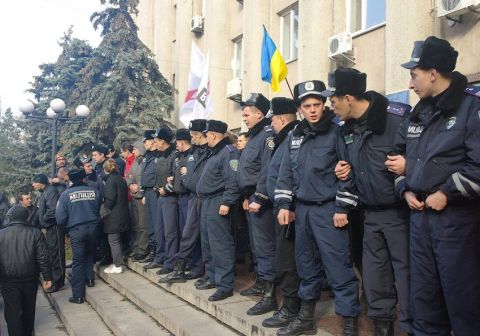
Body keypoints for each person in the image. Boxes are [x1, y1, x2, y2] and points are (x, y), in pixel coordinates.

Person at [398, 36, 480, 335]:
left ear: (433, 72)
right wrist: (405, 188)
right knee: (424, 300)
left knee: (463, 302)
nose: (410, 83)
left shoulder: (471, 108)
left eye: (413, 74)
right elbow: (405, 159)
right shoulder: (419, 112)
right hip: (419, 218)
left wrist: (447, 193)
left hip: (455, 223)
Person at [328, 68, 412, 335]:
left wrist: (409, 167)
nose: (332, 108)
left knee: (408, 277)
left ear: (349, 98)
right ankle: (383, 327)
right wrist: (343, 171)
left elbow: (420, 157)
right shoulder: (345, 131)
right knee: (375, 279)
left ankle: (413, 327)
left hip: (401, 213)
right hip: (369, 215)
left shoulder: (396, 120)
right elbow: (347, 169)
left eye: (333, 101)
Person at [275, 80, 360, 335]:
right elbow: (287, 172)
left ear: (323, 106)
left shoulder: (337, 133)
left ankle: (349, 322)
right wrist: (284, 204)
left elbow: (348, 171)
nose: (312, 110)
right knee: (306, 266)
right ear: (300, 109)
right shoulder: (295, 136)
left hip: (329, 211)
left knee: (338, 267)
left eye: (317, 104)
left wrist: (343, 208)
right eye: (307, 105)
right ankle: (306, 319)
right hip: (302, 212)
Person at [238, 93, 278, 316]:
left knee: (265, 247)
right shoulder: (253, 135)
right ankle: (262, 282)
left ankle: (270, 295)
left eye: (246, 114)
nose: (244, 118)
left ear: (259, 113)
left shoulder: (266, 135)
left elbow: (267, 169)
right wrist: (246, 196)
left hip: (261, 201)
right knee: (256, 246)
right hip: (250, 199)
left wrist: (260, 196)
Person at [262, 97, 300, 328]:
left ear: (282, 119)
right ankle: (290, 305)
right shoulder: (284, 138)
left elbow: (292, 174)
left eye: (273, 120)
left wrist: (289, 205)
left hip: (289, 209)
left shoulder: (292, 138)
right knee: (284, 259)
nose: (272, 125)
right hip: (282, 207)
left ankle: (291, 308)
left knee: (287, 261)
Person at [196, 120, 241, 301]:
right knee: (208, 242)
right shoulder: (215, 152)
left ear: (213, 135)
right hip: (207, 202)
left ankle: (225, 285)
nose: (205, 138)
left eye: (206, 135)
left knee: (220, 244)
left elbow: (233, 179)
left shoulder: (228, 153)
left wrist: (227, 202)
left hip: (218, 201)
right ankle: (212, 277)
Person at [161, 120, 208, 284]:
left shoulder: (195, 154)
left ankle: (196, 267)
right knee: (186, 234)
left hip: (192, 197)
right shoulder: (182, 155)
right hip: (183, 197)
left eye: (194, 134)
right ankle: (185, 266)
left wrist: (184, 176)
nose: (177, 146)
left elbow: (193, 177)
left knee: (192, 234)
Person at [0, 205, 51, 336]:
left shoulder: (1, 234)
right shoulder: (35, 233)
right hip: (30, 279)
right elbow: (43, 257)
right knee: (29, 309)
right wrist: (47, 277)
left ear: (10, 218)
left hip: (8, 280)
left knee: (12, 312)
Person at [56, 169, 101, 303]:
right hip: (93, 228)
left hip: (77, 230)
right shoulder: (94, 191)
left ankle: (78, 295)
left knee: (78, 261)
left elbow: (60, 218)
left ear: (70, 179)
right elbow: (98, 206)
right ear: (84, 178)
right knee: (89, 254)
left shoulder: (65, 195)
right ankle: (90, 279)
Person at [158, 128, 194, 283]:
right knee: (179, 233)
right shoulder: (179, 156)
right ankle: (178, 263)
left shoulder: (189, 156)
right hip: (179, 196)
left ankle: (185, 264)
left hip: (186, 197)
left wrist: (167, 188)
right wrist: (172, 179)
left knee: (185, 233)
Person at [147, 128, 179, 275]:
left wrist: (166, 189)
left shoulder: (174, 156)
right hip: (159, 197)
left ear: (163, 141)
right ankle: (160, 257)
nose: (154, 142)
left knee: (170, 232)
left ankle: (171, 261)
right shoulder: (161, 156)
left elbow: (176, 178)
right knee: (159, 230)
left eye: (157, 140)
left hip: (170, 198)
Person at [32, 173, 65, 293]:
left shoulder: (50, 191)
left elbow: (52, 211)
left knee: (56, 253)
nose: (33, 185)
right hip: (49, 227)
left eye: (35, 182)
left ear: (41, 182)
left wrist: (44, 222)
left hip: (54, 227)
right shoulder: (44, 193)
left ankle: (58, 281)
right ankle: (55, 279)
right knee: (52, 253)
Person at [101, 159, 130, 274]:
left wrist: (103, 211)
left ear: (105, 170)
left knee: (113, 240)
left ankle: (118, 265)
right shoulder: (121, 179)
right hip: (123, 213)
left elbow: (110, 200)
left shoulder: (110, 181)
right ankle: (118, 262)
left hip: (114, 216)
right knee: (118, 240)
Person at [125, 140, 149, 261]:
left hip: (142, 197)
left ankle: (142, 249)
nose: (133, 151)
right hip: (134, 196)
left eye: (134, 149)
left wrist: (138, 188)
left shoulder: (145, 161)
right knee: (135, 225)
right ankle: (136, 247)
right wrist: (130, 186)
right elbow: (127, 176)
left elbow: (147, 178)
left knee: (142, 225)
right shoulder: (135, 161)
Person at [140, 130, 160, 263]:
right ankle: (151, 248)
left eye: (145, 141)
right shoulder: (147, 155)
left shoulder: (158, 155)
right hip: (147, 192)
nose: (143, 143)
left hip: (155, 191)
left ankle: (157, 251)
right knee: (149, 223)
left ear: (152, 140)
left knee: (156, 223)